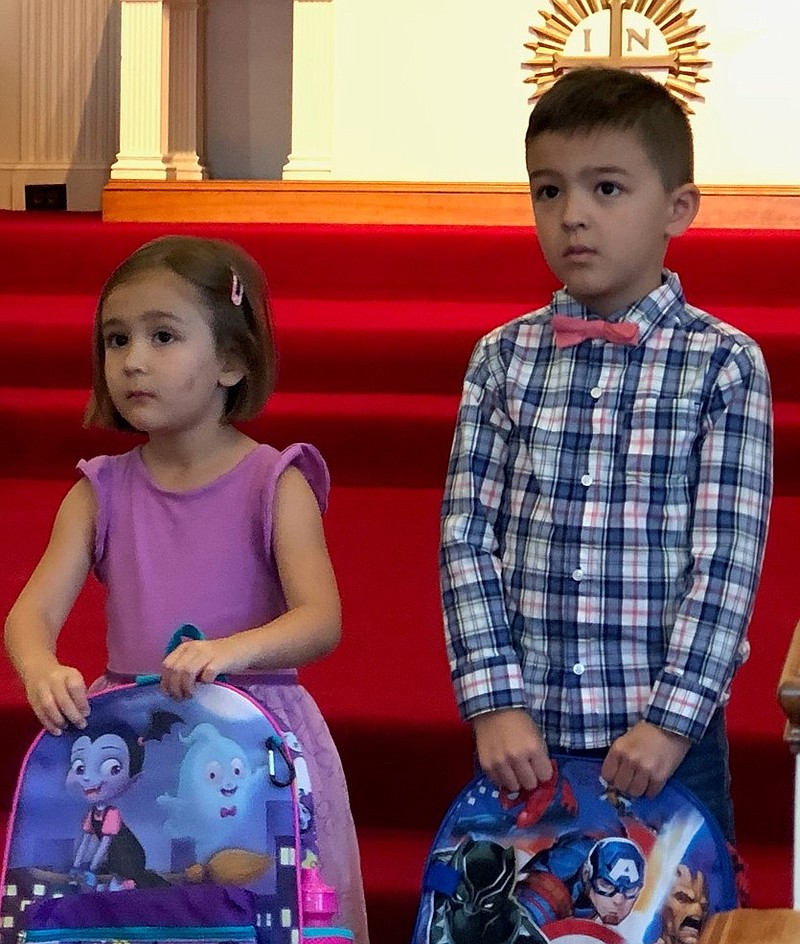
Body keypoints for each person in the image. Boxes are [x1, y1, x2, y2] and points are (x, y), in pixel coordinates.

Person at [439, 67, 773, 844]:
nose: (573, 216)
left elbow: (724, 561)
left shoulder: (723, 363)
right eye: (548, 191)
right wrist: (494, 702)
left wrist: (672, 721)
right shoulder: (502, 358)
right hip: (527, 741)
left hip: (665, 745)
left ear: (677, 209)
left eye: (607, 189)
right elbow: (466, 540)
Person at [4, 235, 369, 942]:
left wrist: (230, 651)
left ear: (231, 361)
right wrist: (40, 666)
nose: (132, 359)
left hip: (254, 739)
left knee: (258, 912)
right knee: (147, 917)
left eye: (162, 336)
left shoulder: (275, 480)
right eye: (116, 339)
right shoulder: (99, 491)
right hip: (140, 740)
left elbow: (321, 620)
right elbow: (30, 614)